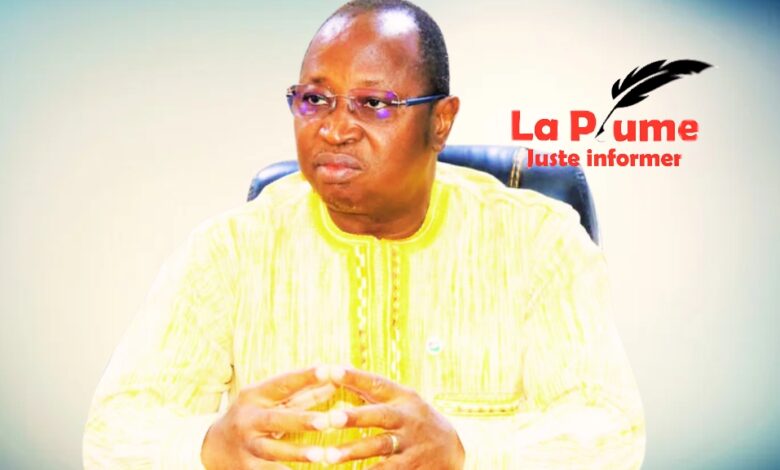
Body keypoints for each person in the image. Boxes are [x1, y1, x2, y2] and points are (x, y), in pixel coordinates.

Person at [83, 0, 646, 468]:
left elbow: (610, 430)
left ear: (440, 121)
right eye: (314, 100)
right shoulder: (229, 251)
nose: (334, 129)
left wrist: (465, 450)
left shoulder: (539, 243)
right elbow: (113, 430)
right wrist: (206, 446)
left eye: (373, 104)